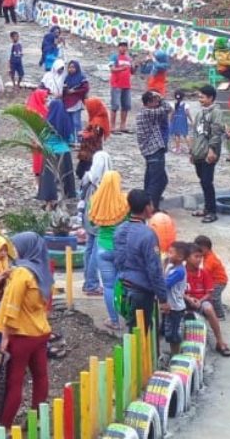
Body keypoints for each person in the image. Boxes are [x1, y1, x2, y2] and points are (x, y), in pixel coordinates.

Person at [0, 233, 54, 430]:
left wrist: (4, 338)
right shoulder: (42, 272)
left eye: (17, 246)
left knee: (15, 381)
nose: (15, 250)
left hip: (22, 335)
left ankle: (5, 426)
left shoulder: (21, 274)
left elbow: (12, 308)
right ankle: (37, 418)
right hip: (41, 331)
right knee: (40, 376)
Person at [114, 190, 168, 332]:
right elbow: (154, 269)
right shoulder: (148, 235)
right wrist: (163, 298)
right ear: (146, 208)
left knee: (131, 328)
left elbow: (118, 260)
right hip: (141, 291)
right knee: (140, 333)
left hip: (123, 286)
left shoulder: (119, 230)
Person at [86, 166, 129, 332]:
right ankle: (128, 317)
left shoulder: (94, 200)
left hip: (103, 248)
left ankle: (114, 321)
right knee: (124, 284)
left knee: (109, 286)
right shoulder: (125, 201)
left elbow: (91, 223)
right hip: (121, 249)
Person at [184, 242, 230, 356]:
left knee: (209, 309)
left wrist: (200, 301)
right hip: (185, 301)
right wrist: (189, 299)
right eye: (196, 256)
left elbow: (209, 293)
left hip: (201, 300)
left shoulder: (204, 272)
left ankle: (220, 341)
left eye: (200, 257)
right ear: (187, 258)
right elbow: (177, 292)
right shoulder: (181, 272)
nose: (199, 259)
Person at [189, 85, 226, 224]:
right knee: (203, 181)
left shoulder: (216, 112)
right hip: (198, 152)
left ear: (210, 98)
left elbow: (216, 133)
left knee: (207, 181)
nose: (200, 100)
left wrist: (212, 150)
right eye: (199, 97)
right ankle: (206, 207)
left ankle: (212, 211)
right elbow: (195, 133)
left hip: (208, 153)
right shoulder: (200, 114)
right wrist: (192, 151)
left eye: (202, 97)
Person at [38, 98, 77, 209]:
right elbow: (70, 139)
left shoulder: (46, 123)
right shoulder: (66, 121)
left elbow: (41, 138)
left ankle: (49, 202)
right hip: (64, 153)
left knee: (49, 179)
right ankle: (62, 200)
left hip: (50, 152)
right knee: (63, 177)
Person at [136, 90, 171, 211]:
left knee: (153, 179)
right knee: (157, 182)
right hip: (154, 150)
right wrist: (161, 97)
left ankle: (147, 204)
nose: (157, 102)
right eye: (155, 101)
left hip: (150, 151)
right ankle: (152, 208)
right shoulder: (149, 112)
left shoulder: (144, 112)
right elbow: (167, 108)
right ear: (149, 102)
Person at [163, 241, 190, 354]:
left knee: (174, 334)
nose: (167, 255)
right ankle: (174, 353)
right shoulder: (173, 267)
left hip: (175, 308)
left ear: (180, 257)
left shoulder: (178, 271)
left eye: (170, 253)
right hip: (173, 306)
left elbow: (164, 284)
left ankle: (176, 354)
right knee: (170, 332)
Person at [193, 235, 229, 319]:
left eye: (199, 250)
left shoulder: (210, 259)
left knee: (214, 297)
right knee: (214, 296)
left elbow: (205, 272)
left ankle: (220, 316)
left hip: (219, 281)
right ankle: (217, 307)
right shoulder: (207, 255)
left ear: (204, 248)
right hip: (217, 279)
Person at [109, 41, 134, 133]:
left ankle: (122, 125)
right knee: (115, 105)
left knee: (126, 105)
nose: (123, 48)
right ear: (118, 47)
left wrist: (135, 66)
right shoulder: (114, 57)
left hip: (126, 85)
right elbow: (112, 69)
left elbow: (132, 72)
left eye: (125, 46)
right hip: (116, 84)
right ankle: (112, 126)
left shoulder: (128, 59)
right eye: (121, 46)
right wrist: (121, 69)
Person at [63, 60, 89, 142]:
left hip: (76, 102)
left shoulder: (81, 77)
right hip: (67, 102)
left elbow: (85, 88)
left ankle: (79, 139)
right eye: (70, 67)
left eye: (73, 67)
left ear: (77, 68)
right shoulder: (67, 78)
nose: (71, 69)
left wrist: (74, 91)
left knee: (76, 122)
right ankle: (71, 140)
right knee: (69, 123)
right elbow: (64, 88)